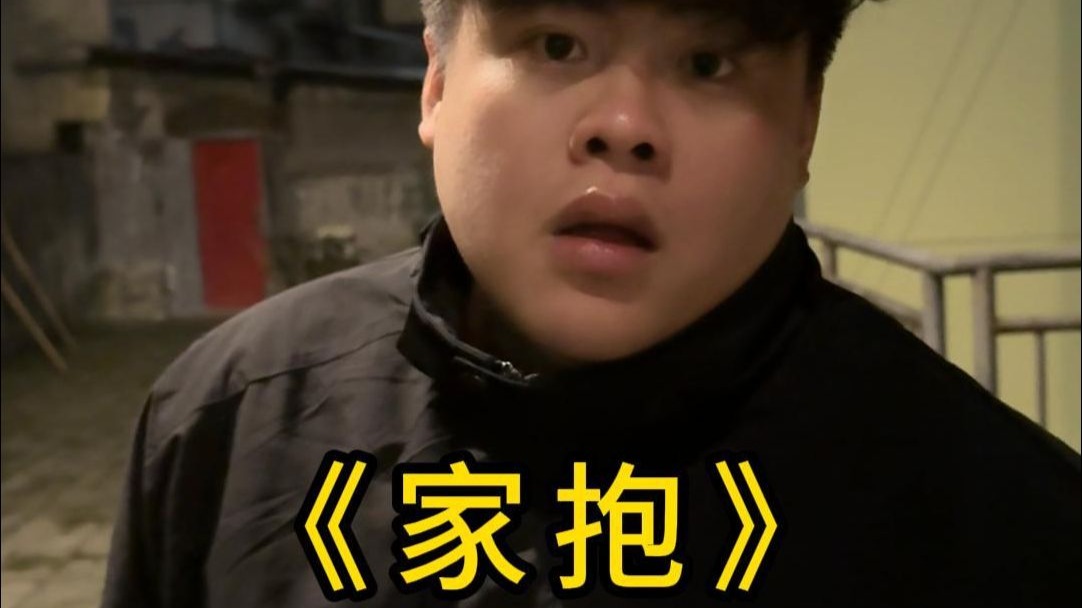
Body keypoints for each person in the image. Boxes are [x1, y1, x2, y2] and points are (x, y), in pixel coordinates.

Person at [101, 1, 1081, 606]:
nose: (623, 125)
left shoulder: (1003, 516)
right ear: (436, 81)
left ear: (803, 126)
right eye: (558, 41)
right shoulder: (233, 415)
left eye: (707, 63)